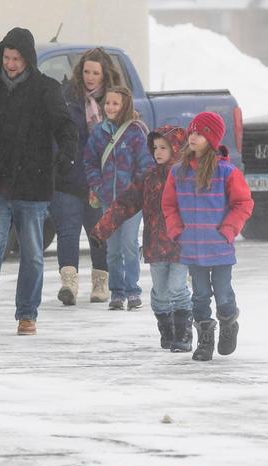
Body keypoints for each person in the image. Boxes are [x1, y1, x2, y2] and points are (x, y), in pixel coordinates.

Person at [0, 27, 77, 338]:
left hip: (32, 185)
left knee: (33, 255)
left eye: (16, 58)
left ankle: (27, 314)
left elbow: (65, 126)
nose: (10, 64)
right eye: (6, 58)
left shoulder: (46, 89)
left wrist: (66, 155)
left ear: (28, 59)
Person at [162, 112, 254, 361]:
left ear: (211, 138)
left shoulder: (227, 172)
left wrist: (228, 230)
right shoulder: (178, 172)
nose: (192, 136)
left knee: (223, 292)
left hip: (220, 247)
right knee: (200, 294)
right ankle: (205, 338)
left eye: (199, 133)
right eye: (191, 132)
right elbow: (169, 205)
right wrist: (176, 230)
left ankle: (228, 322)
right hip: (192, 247)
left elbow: (243, 203)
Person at [91, 125, 192, 351]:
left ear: (176, 148)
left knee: (177, 288)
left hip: (181, 246)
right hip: (155, 246)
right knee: (160, 293)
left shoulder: (187, 177)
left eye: (164, 147)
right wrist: (102, 228)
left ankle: (184, 333)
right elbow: (125, 204)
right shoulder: (148, 178)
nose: (158, 152)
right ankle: (167, 331)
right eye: (155, 147)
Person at [52, 48, 122, 306]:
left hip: (98, 180)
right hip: (68, 175)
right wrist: (59, 159)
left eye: (96, 73)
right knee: (67, 230)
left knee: (98, 232)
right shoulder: (67, 97)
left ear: (105, 75)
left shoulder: (114, 102)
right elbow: (56, 131)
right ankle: (69, 284)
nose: (90, 77)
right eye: (86, 72)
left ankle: (100, 282)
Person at [84, 85, 153, 310]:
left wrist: (137, 190)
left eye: (115, 103)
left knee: (129, 244)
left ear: (125, 106)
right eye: (108, 103)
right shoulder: (99, 132)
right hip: (108, 200)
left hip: (131, 201)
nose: (110, 107)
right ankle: (117, 292)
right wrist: (98, 184)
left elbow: (145, 164)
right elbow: (90, 161)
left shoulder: (136, 132)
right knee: (112, 248)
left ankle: (133, 291)